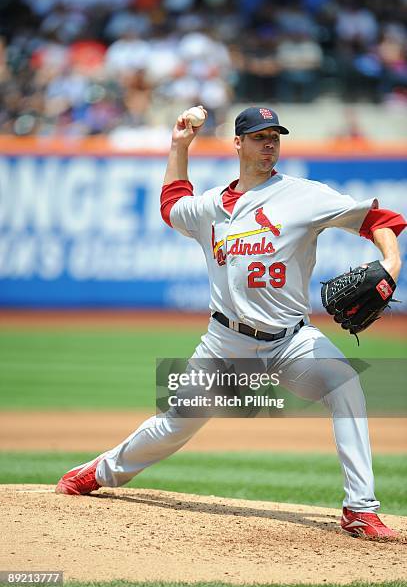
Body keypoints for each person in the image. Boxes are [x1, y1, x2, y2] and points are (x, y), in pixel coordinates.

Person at [55, 106, 405, 539]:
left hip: (290, 342)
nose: (269, 143)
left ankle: (360, 509)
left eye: (275, 136)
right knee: (171, 425)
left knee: (345, 385)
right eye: (259, 137)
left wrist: (390, 262)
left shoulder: (304, 196)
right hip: (225, 346)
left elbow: (380, 219)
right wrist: (180, 144)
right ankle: (99, 471)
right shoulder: (211, 208)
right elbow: (172, 205)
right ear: (238, 144)